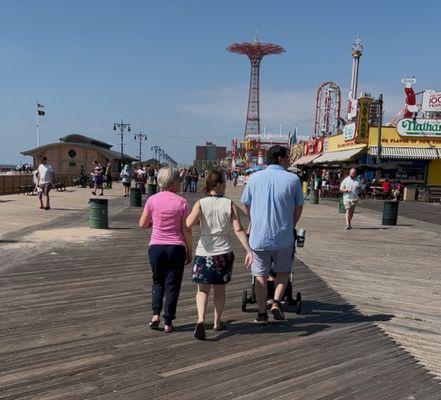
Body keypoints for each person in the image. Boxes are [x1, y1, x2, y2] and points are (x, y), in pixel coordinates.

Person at [186, 170, 253, 340]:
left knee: (202, 290)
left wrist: (202, 219)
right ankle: (216, 322)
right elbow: (238, 229)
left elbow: (188, 223)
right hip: (223, 253)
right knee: (220, 289)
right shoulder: (229, 204)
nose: (225, 186)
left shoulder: (200, 203)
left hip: (204, 252)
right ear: (218, 185)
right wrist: (248, 250)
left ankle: (201, 320)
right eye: (224, 183)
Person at [241, 145, 304, 324]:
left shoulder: (253, 178)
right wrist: (291, 224)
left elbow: (246, 203)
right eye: (288, 156)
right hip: (283, 236)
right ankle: (276, 302)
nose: (290, 159)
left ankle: (262, 314)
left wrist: (254, 219)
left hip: (258, 236)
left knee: (260, 275)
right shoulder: (293, 179)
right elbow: (299, 206)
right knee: (283, 271)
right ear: (280, 158)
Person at [139, 168, 192, 333]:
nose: (180, 184)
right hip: (176, 247)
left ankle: (155, 314)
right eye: (178, 181)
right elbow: (186, 230)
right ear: (172, 182)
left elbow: (142, 224)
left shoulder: (152, 200)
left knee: (157, 281)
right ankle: (168, 321)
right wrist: (189, 250)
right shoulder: (182, 202)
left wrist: (153, 224)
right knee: (172, 285)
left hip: (156, 247)